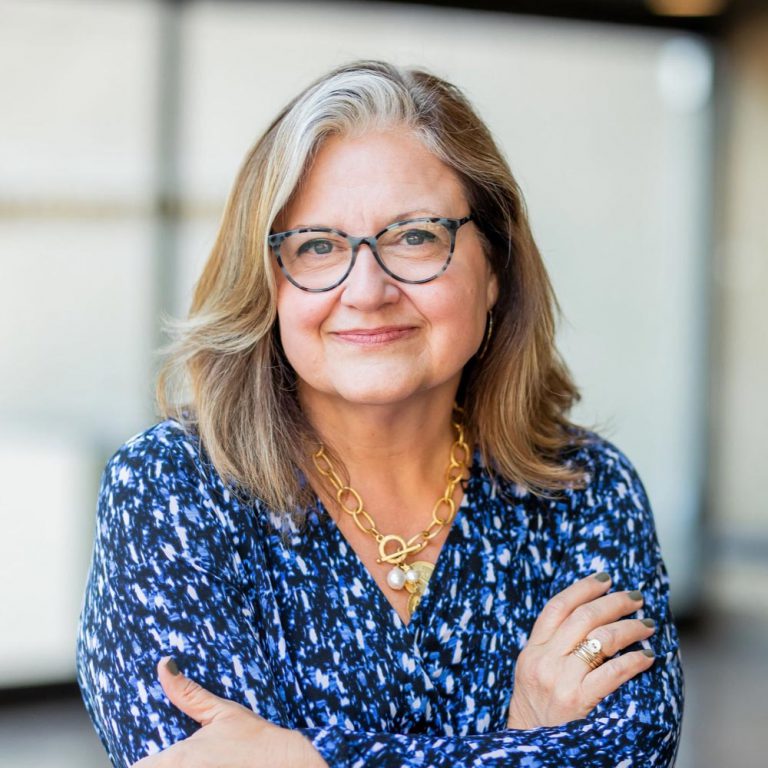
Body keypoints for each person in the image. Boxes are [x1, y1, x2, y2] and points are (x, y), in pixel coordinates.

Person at [76, 60, 684, 767]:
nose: (366, 289)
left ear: (494, 268)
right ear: (267, 283)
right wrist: (523, 743)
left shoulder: (584, 489)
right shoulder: (171, 490)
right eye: (317, 246)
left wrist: (309, 759)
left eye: (416, 237)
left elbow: (630, 751)